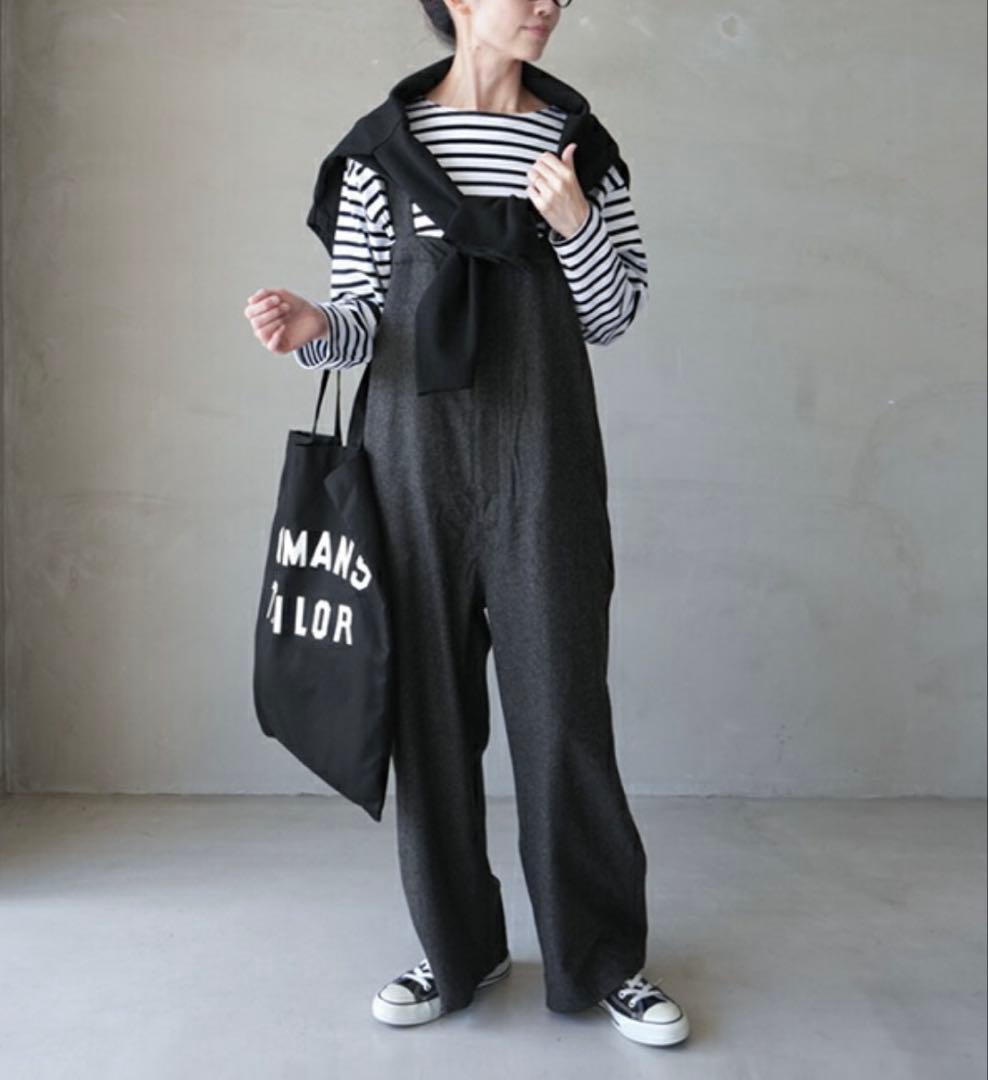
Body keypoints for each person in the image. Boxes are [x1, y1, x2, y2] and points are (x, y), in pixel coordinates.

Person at [244, 0, 690, 1049]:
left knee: (564, 712)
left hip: (547, 460)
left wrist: (575, 223)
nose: (546, 5)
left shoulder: (580, 147)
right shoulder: (376, 154)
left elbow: (614, 314)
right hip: (411, 466)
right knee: (429, 722)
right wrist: (310, 328)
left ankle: (603, 960)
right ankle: (457, 950)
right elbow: (364, 320)